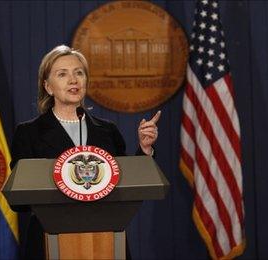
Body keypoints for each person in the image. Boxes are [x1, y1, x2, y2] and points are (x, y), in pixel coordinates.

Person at [10, 45, 160, 259]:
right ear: (48, 86)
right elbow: (19, 201)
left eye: (79, 73)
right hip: (50, 240)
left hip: (106, 240)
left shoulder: (107, 131)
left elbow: (125, 186)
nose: (73, 80)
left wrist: (145, 149)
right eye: (62, 74)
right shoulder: (29, 133)